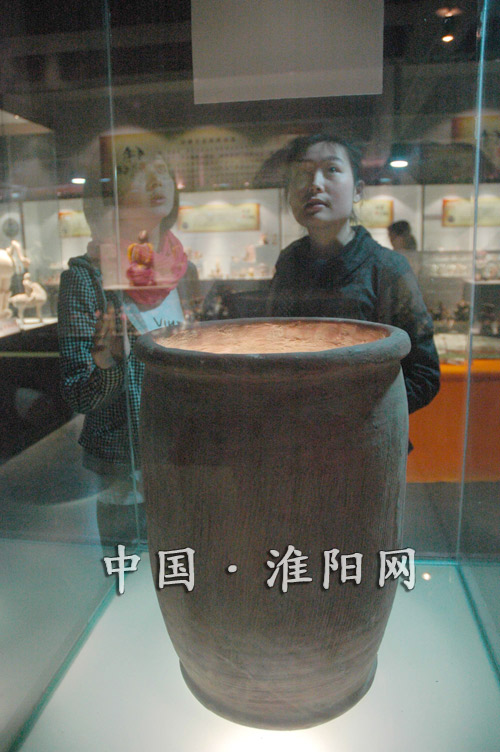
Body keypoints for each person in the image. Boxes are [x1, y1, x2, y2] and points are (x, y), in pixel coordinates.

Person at [57, 131, 187, 542]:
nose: (156, 180)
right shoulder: (86, 278)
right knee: (128, 568)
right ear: (109, 197)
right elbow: (79, 395)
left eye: (161, 169)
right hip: (123, 467)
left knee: (179, 565)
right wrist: (108, 363)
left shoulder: (177, 269)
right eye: (137, 171)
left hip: (181, 451)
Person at [267, 133, 440, 417]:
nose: (315, 184)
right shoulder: (289, 262)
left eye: (332, 169)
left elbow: (423, 375)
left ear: (358, 190)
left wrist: (355, 414)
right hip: (296, 431)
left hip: (364, 436)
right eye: (303, 173)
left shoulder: (387, 267)